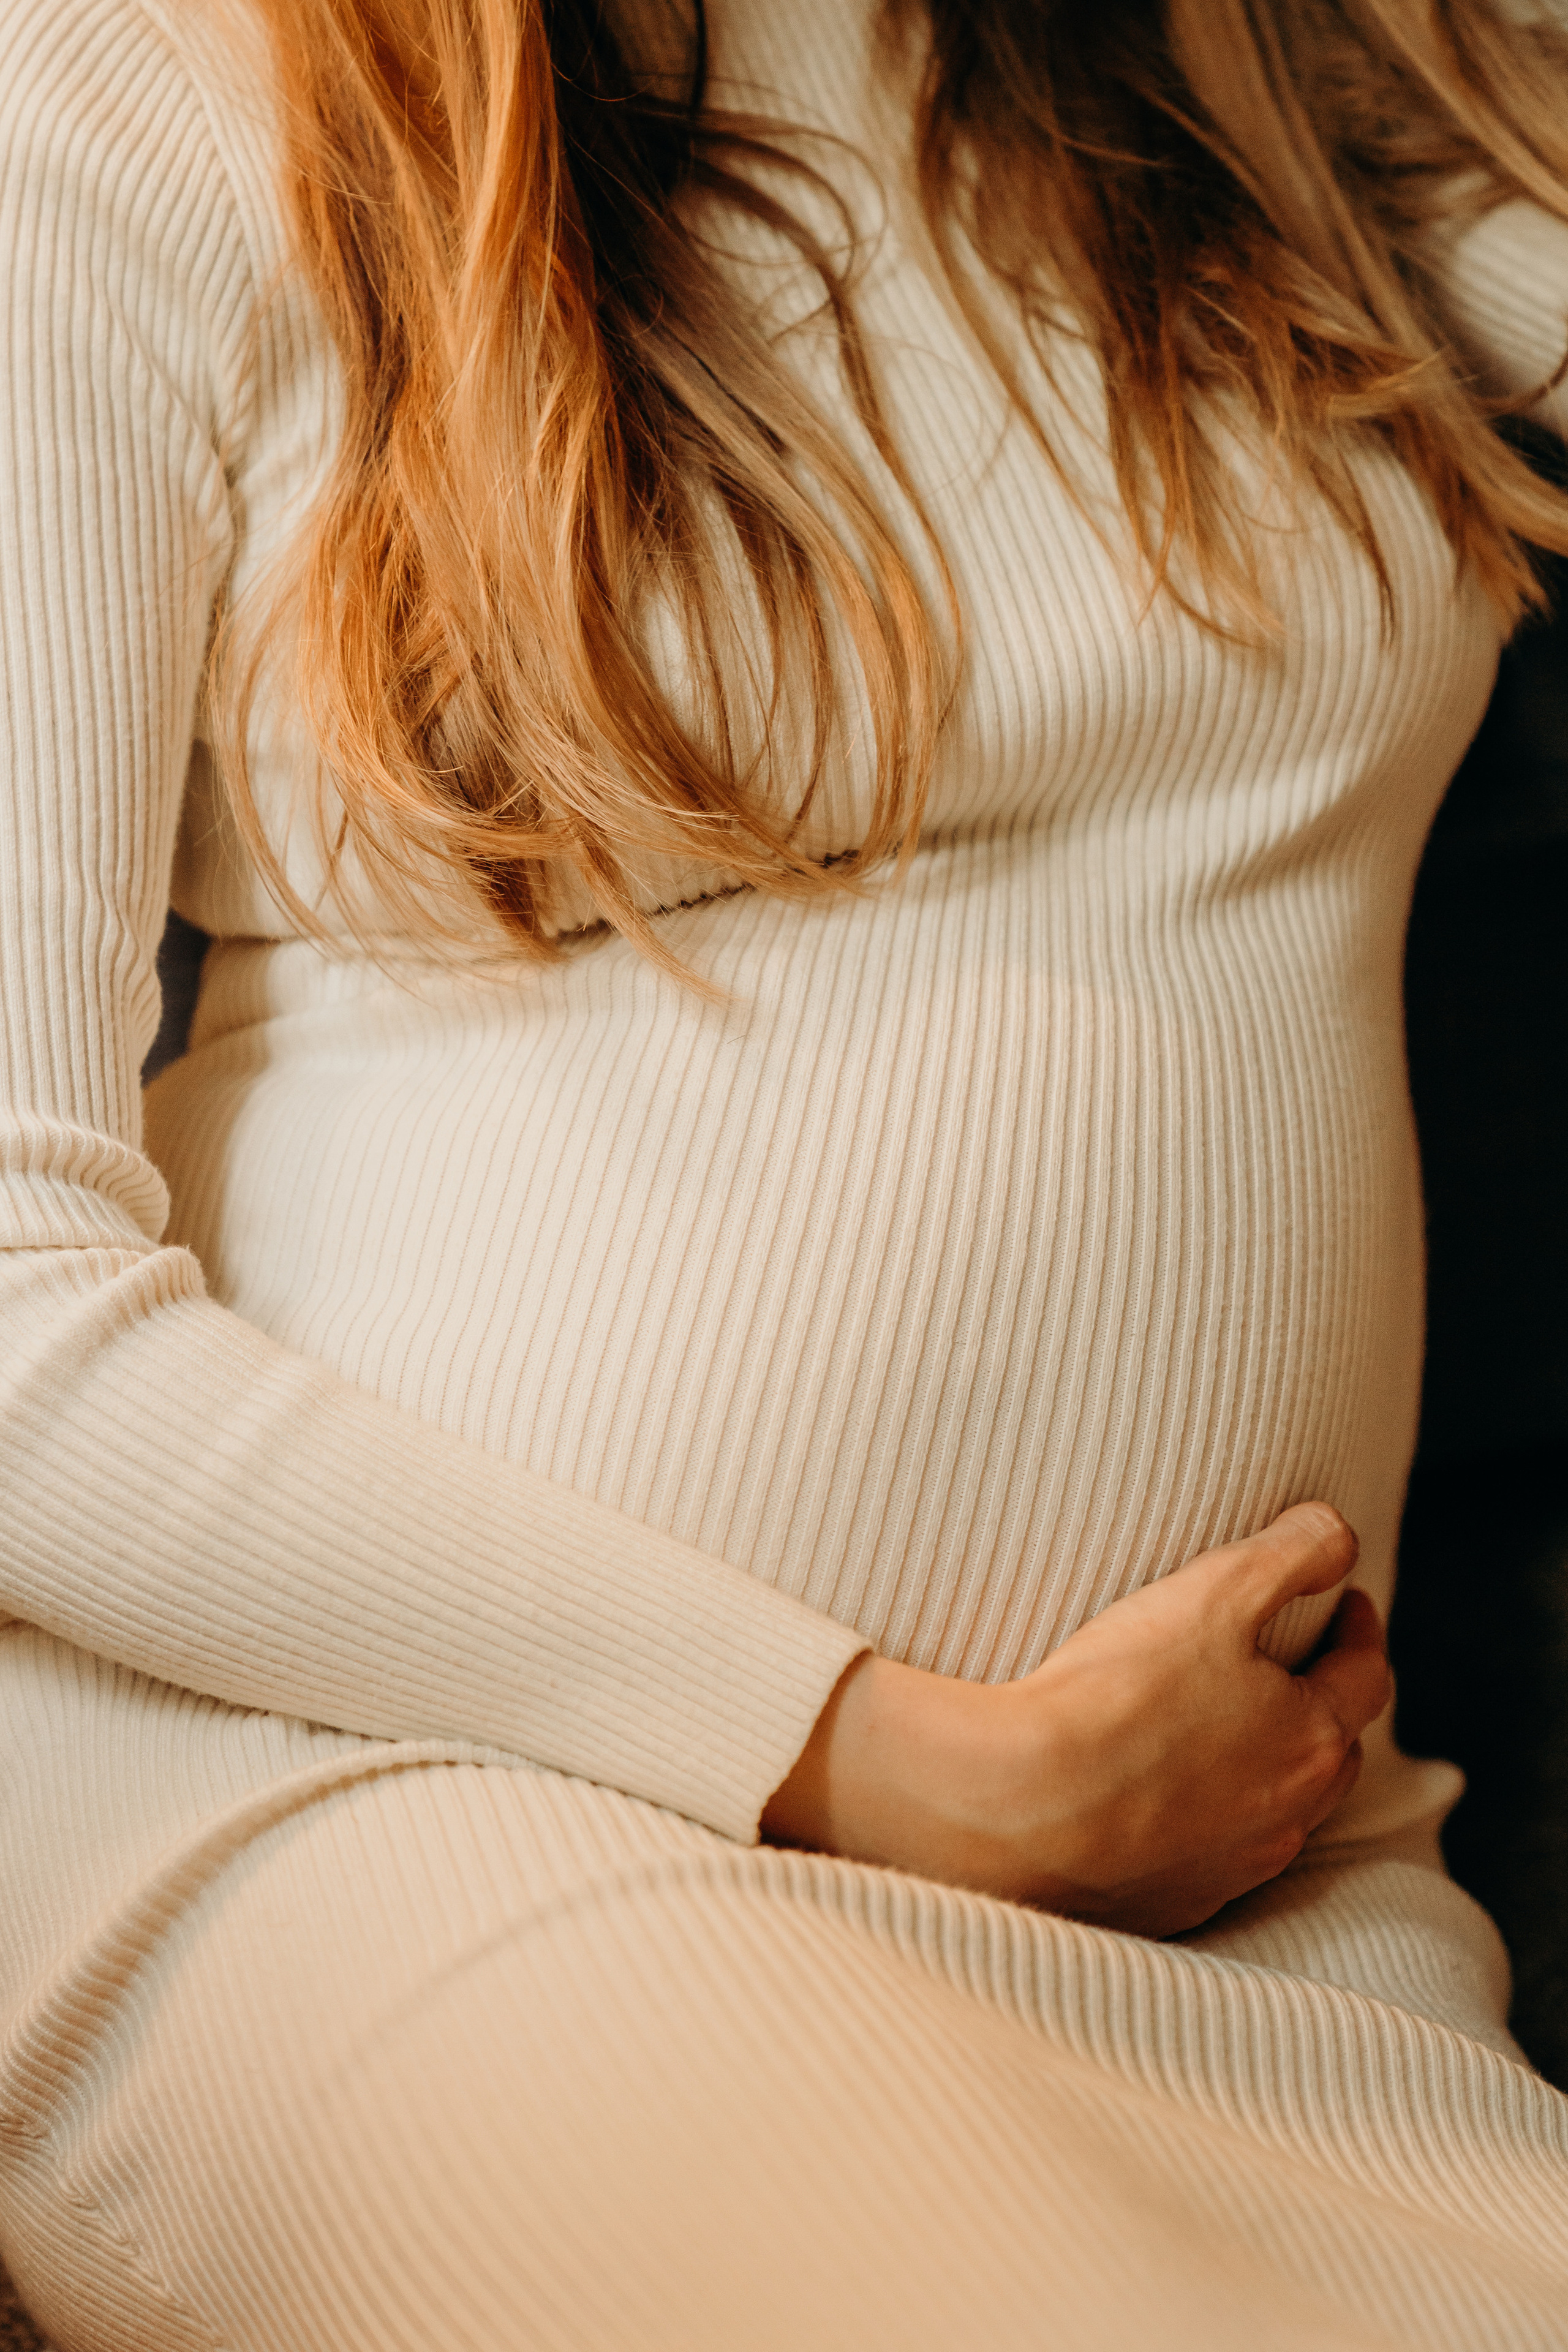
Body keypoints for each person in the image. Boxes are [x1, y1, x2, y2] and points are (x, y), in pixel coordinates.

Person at [1, 0, 1566, 2341]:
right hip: (396, 1812)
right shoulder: (137, 93)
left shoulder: (1260, 80)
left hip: (1258, 1892)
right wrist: (886, 1759)